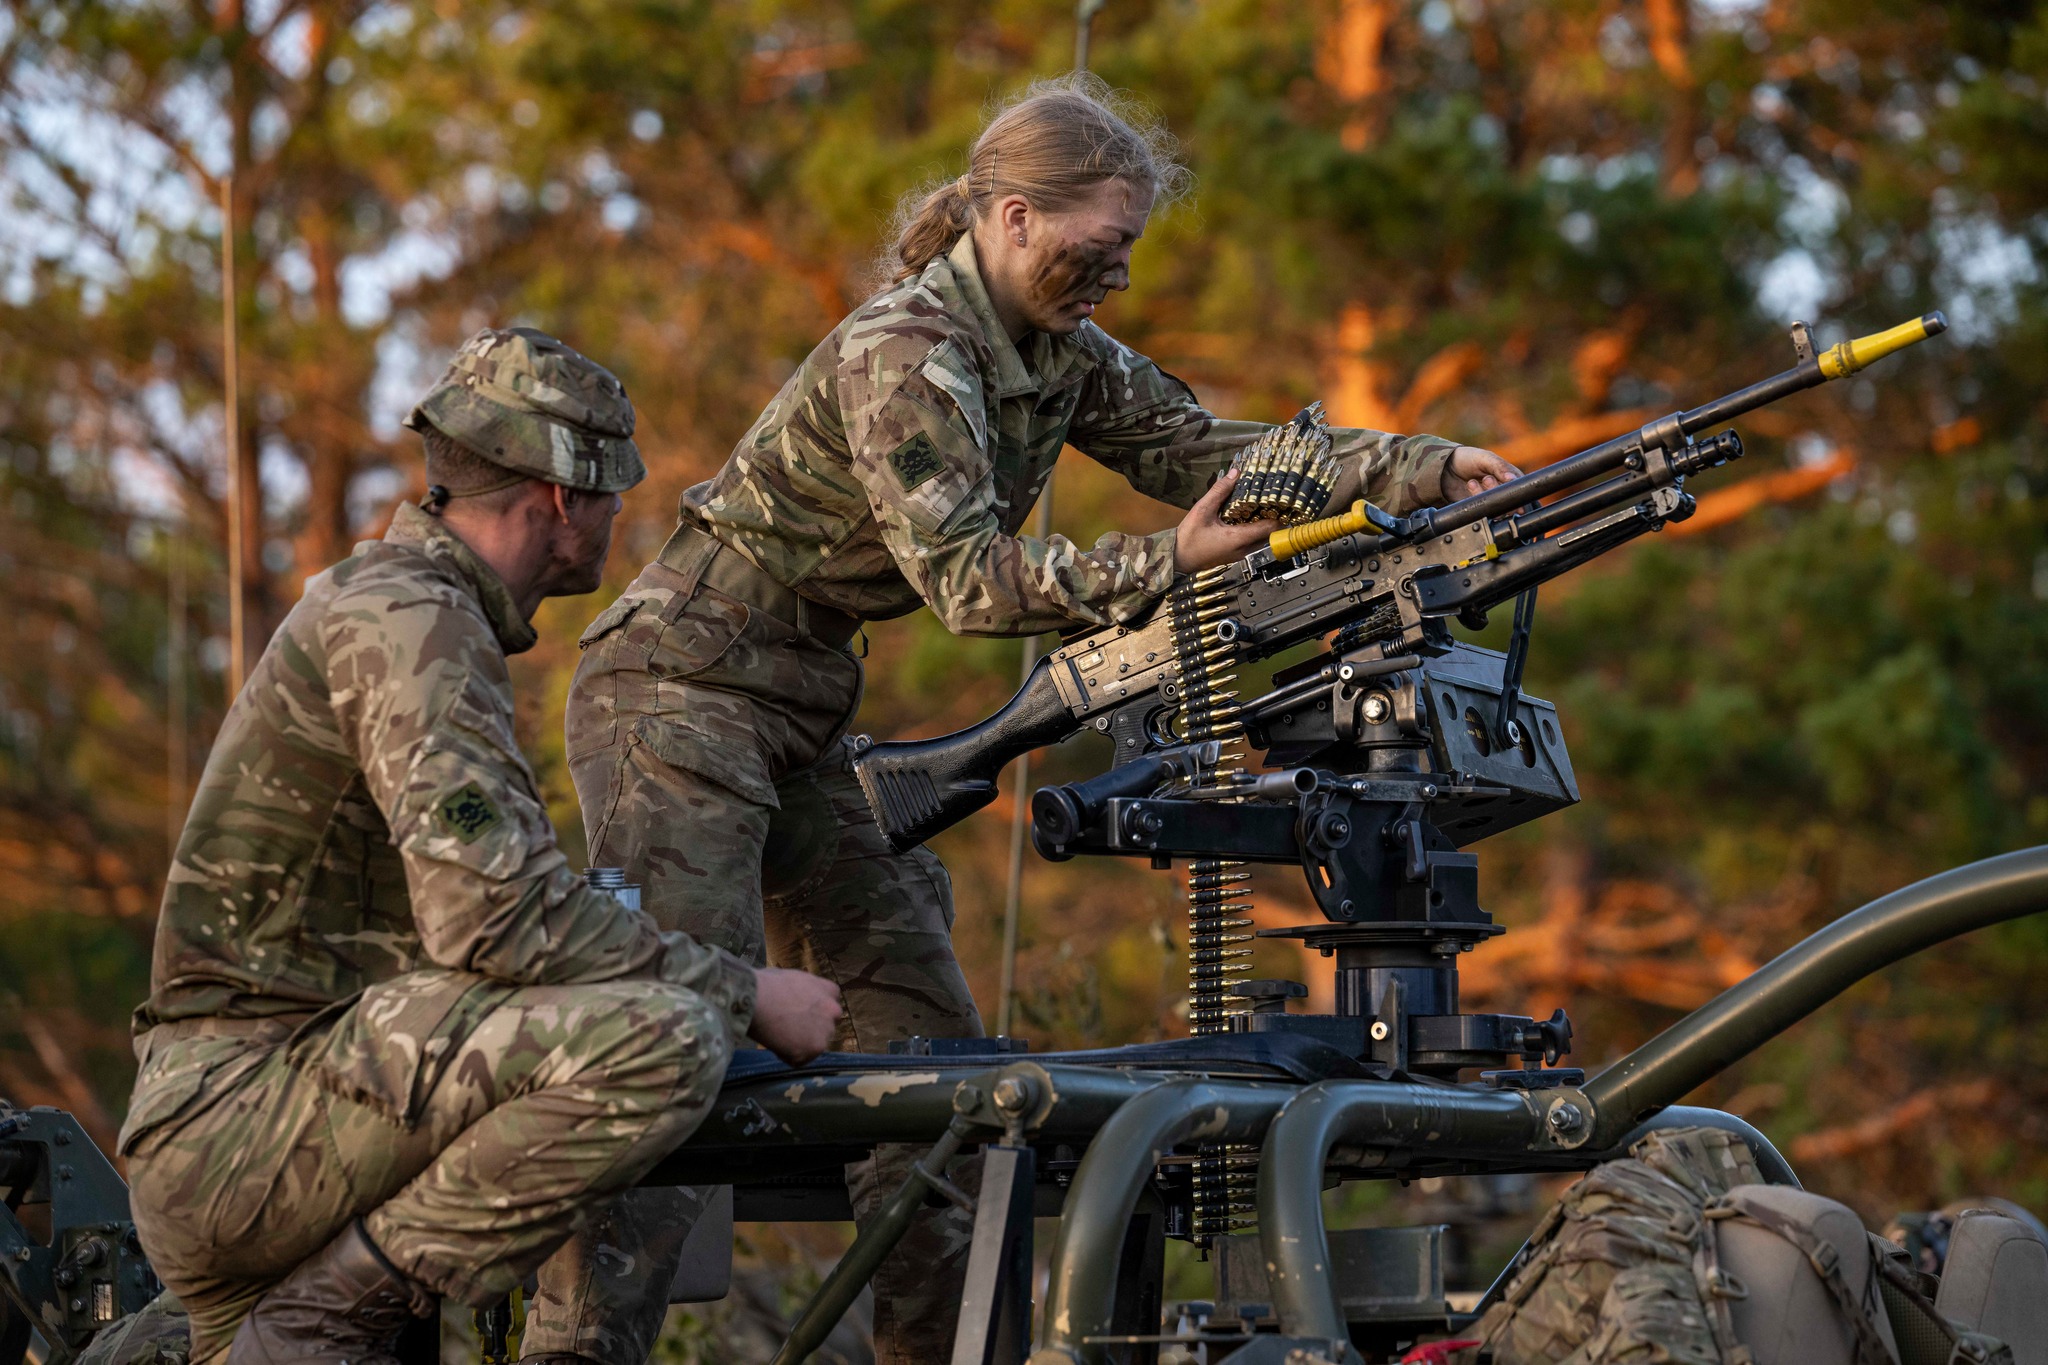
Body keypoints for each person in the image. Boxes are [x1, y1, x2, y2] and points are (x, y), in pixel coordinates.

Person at [563, 75, 1521, 1362]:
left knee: (930, 1061)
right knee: (676, 1043)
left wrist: (1416, 468)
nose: (1110, 280)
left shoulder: (1057, 353)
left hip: (796, 721)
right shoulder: (902, 352)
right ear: (1011, 217)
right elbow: (966, 582)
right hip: (675, 700)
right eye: (1094, 249)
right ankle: (579, 1348)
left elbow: (1204, 449)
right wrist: (1166, 566)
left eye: (1125, 257)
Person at [117, 328, 844, 1365]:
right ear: (562, 498)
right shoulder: (413, 622)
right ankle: (332, 1316)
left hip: (271, 1118)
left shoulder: (401, 604)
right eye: (612, 495)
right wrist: (747, 990)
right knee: (664, 1036)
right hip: (245, 1127)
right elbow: (490, 914)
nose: (617, 518)